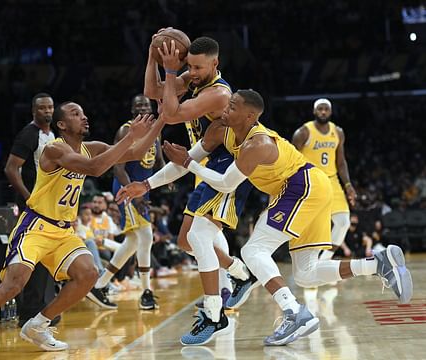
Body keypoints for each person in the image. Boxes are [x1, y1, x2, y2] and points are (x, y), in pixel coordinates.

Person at [137, 89, 413, 346]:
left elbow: (224, 183)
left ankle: (295, 313)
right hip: (309, 188)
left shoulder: (258, 144)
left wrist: (189, 162)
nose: (226, 108)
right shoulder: (222, 130)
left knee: (253, 250)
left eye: (232, 106)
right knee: (305, 274)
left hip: (301, 187)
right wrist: (148, 184)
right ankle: (377, 264)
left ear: (250, 116)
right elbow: (186, 162)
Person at [0, 102, 164, 355]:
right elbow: (95, 168)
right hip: (36, 226)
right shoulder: (54, 149)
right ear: (61, 125)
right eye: (76, 114)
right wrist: (129, 139)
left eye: (83, 112)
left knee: (89, 274)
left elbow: (136, 153)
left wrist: (162, 121)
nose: (84, 117)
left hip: (62, 232)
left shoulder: (90, 148)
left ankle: (38, 324)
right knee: (12, 286)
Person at [126, 34, 252, 345]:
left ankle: (214, 314)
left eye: (197, 67)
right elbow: (152, 92)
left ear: (215, 63)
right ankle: (240, 271)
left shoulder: (219, 94)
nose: (191, 73)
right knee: (185, 241)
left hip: (229, 165)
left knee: (198, 237)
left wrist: (170, 71)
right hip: (205, 160)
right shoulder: (195, 81)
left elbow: (170, 113)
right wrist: (154, 57)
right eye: (189, 67)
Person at [88, 94, 165, 311]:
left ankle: (100, 285)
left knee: (132, 243)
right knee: (146, 236)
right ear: (132, 110)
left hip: (142, 190)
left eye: (146, 105)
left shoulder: (155, 132)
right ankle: (146, 292)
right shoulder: (125, 130)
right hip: (126, 189)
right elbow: (118, 168)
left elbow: (158, 161)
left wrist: (169, 177)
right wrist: (136, 195)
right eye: (138, 104)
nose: (142, 107)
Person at [4, 93, 59, 328]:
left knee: (47, 258)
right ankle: (29, 313)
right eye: (42, 108)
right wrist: (28, 198)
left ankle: (44, 309)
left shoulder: (53, 134)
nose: (47, 112)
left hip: (50, 206)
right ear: (33, 111)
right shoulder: (28, 134)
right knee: (32, 259)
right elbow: (10, 169)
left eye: (50, 108)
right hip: (34, 206)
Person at [292, 99, 356, 260]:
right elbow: (291, 160)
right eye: (320, 109)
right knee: (311, 226)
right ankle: (306, 259)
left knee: (343, 223)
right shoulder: (303, 132)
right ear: (314, 112)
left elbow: (341, 162)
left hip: (332, 181)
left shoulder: (338, 132)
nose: (323, 112)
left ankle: (324, 260)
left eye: (326, 109)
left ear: (331, 112)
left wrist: (348, 185)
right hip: (311, 181)